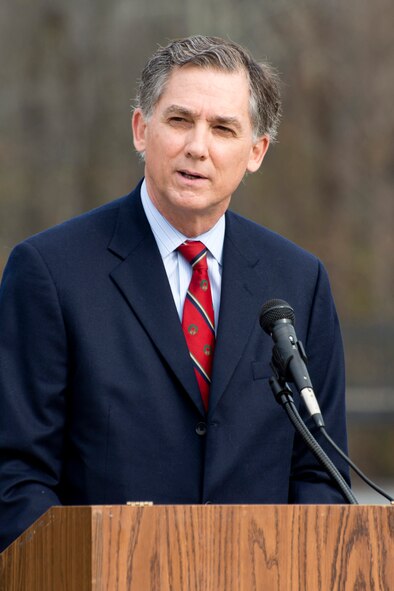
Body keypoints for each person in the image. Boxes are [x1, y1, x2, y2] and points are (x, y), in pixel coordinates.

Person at [0, 35, 350, 552]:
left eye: (223, 128)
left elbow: (322, 474)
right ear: (142, 129)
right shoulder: (49, 272)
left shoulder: (299, 281)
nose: (197, 147)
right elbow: (16, 476)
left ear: (256, 151)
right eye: (180, 120)